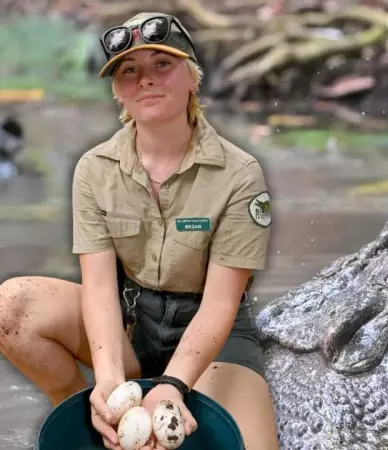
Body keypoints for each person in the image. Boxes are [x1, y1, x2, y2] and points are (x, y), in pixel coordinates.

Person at [0, 12, 279, 450]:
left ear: (192, 77)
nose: (146, 79)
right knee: (11, 306)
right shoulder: (94, 170)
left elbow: (222, 302)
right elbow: (96, 288)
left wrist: (173, 384)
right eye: (130, 71)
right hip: (133, 322)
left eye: (161, 64)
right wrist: (108, 384)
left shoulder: (239, 174)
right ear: (118, 92)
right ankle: (87, 415)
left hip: (214, 333)